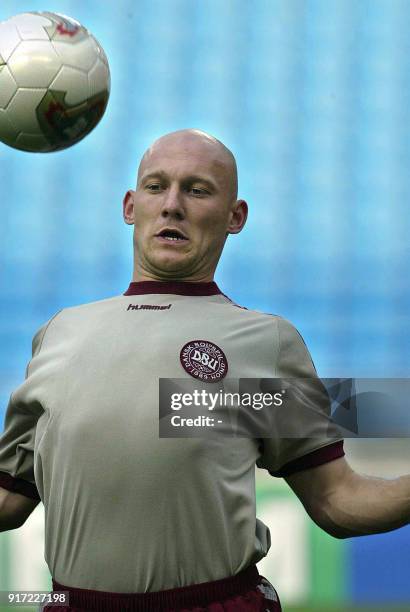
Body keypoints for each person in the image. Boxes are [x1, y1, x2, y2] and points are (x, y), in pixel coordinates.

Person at [0, 129, 409, 612]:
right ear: (131, 206)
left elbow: (338, 501)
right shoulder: (59, 334)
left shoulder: (267, 343)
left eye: (197, 190)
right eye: (156, 187)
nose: (172, 205)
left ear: (236, 217)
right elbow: (10, 499)